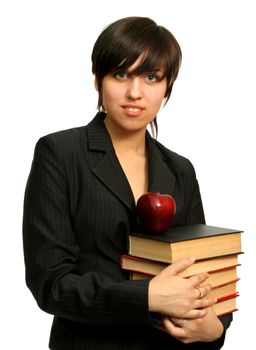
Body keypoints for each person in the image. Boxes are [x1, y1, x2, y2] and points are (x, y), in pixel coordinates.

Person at [23, 16, 232, 350]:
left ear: (168, 85)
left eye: (151, 77)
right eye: (121, 74)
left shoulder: (180, 170)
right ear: (98, 79)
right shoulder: (59, 153)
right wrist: (147, 296)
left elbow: (201, 272)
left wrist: (215, 329)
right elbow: (51, 283)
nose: (135, 93)